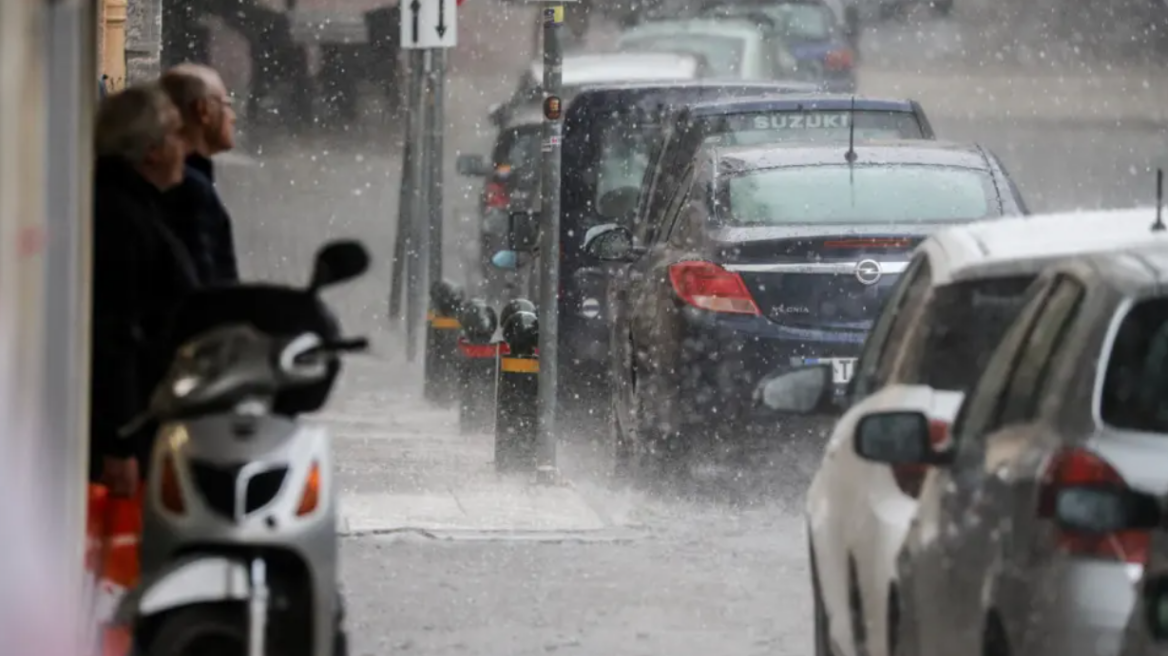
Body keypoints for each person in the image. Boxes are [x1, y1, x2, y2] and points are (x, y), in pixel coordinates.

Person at [91, 84, 200, 496]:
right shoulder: (122, 218)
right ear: (151, 150)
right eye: (175, 134)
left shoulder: (135, 206)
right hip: (129, 428)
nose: (184, 146)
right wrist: (119, 443)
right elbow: (115, 332)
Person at [159, 63, 240, 285]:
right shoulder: (187, 188)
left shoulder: (170, 177)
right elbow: (208, 289)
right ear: (202, 110)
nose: (232, 116)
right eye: (227, 105)